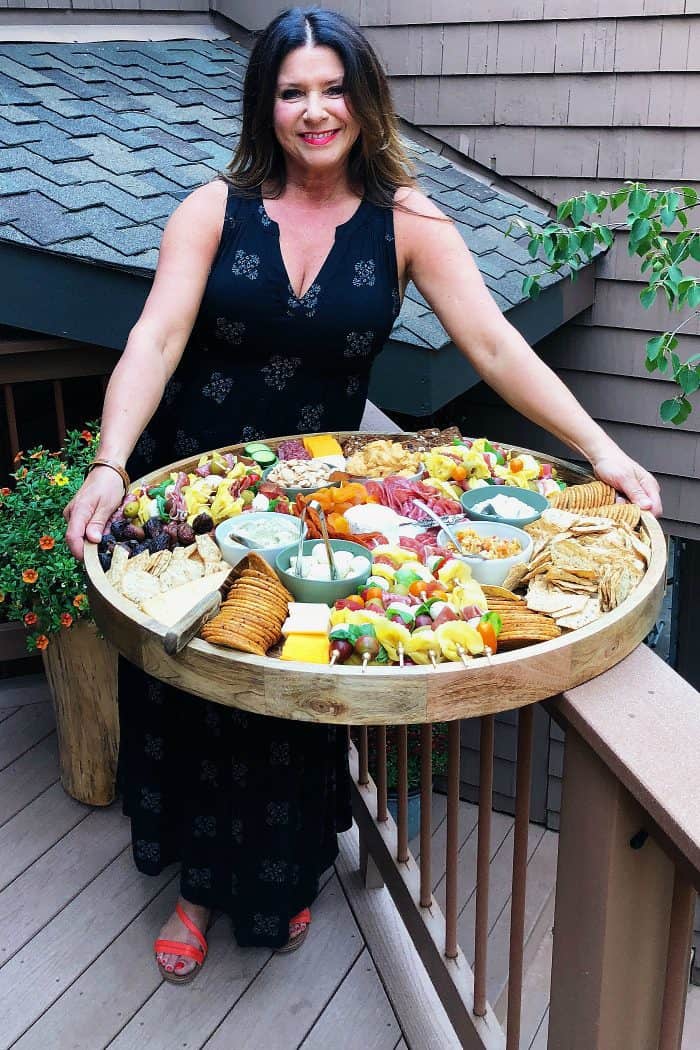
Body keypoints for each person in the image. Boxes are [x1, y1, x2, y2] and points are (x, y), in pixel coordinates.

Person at [65, 6, 662, 983]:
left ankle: (282, 870)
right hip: (198, 490)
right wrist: (109, 460)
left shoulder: (408, 221)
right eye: (292, 90)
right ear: (267, 103)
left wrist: (598, 447)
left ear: (363, 97)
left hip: (318, 510)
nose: (314, 110)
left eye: (332, 87)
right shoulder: (212, 210)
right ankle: (199, 886)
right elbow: (156, 341)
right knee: (199, 687)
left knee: (294, 688)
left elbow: (496, 344)